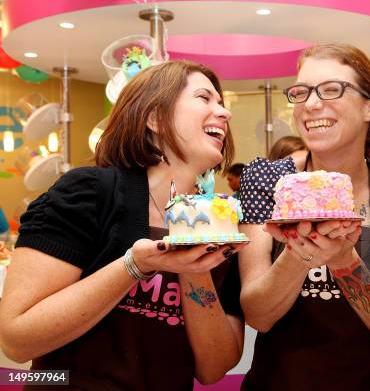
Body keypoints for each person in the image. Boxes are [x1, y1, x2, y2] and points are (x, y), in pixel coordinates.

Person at [0, 61, 245, 390]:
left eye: (221, 103)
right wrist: (134, 265)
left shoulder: (221, 224)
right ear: (154, 117)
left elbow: (212, 369)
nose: (224, 113)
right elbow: (17, 341)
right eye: (204, 98)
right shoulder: (90, 193)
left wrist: (195, 267)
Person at [237, 43, 370, 390]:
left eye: (332, 89)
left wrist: (343, 260)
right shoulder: (266, 180)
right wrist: (301, 251)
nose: (311, 103)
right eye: (301, 92)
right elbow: (258, 314)